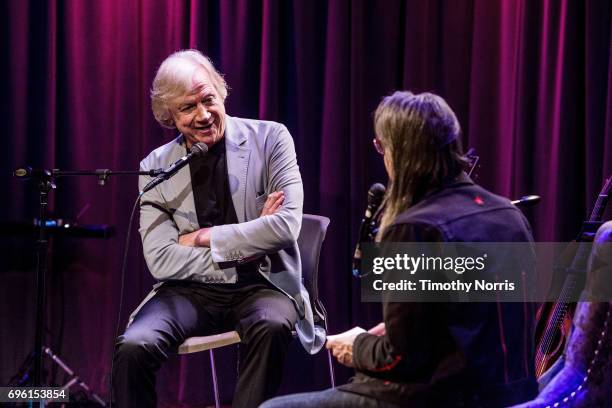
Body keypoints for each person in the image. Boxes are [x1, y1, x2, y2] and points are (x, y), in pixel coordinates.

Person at [261, 91, 538, 407]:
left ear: (399, 152)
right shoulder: (507, 213)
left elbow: (401, 360)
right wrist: (400, 330)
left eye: (381, 146)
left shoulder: (415, 228)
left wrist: (359, 345)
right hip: (513, 394)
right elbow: (477, 322)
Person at [112, 49, 324, 408]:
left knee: (272, 327)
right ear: (170, 117)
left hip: (263, 280)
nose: (203, 114)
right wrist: (253, 237)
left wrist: (204, 238)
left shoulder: (271, 139)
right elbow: (161, 260)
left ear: (221, 91)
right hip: (190, 290)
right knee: (134, 346)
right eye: (187, 108)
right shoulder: (155, 167)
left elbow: (286, 228)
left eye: (208, 99)